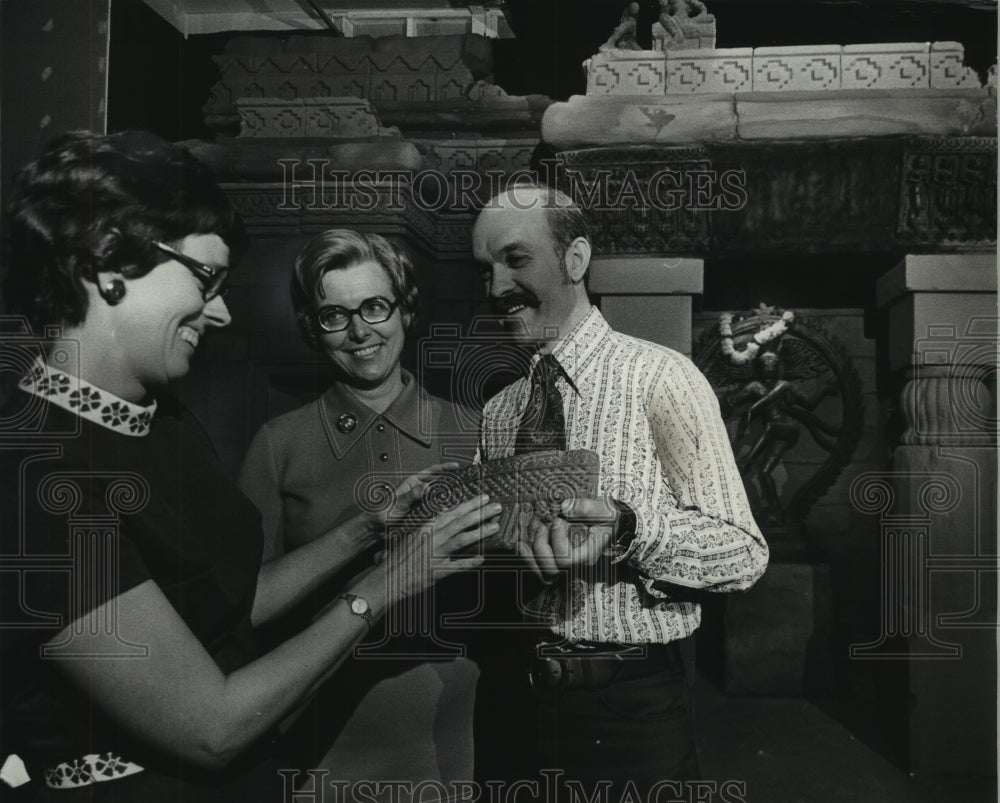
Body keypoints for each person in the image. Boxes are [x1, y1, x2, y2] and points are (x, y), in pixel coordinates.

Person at [0, 131, 499, 802]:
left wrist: (367, 528)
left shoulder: (162, 420)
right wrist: (383, 585)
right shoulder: (34, 476)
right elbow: (213, 726)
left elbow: (231, 600)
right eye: (205, 278)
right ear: (106, 263)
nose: (223, 309)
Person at [468, 184, 769, 794]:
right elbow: (495, 544)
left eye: (516, 260)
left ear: (575, 260)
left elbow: (744, 552)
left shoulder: (663, 378)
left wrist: (629, 529)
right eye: (486, 268)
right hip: (514, 703)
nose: (496, 287)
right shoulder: (501, 410)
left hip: (631, 713)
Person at [237, 229, 480, 794]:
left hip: (456, 745)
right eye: (334, 316)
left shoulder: (475, 431)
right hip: (319, 751)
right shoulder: (279, 445)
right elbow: (242, 607)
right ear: (311, 328)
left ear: (405, 309)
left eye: (375, 306)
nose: (360, 331)